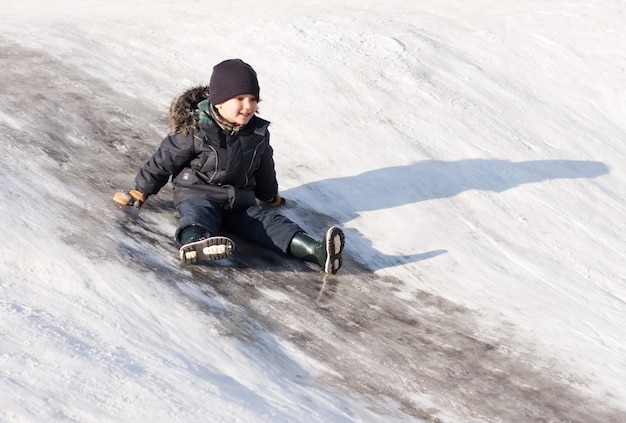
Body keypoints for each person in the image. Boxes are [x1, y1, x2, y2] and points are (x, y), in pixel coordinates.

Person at [114, 59, 345, 274]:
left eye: (253, 99)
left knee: (271, 224)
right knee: (198, 215)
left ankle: (317, 251)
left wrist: (269, 195)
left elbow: (264, 167)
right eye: (240, 99)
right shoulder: (197, 129)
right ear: (220, 101)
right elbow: (164, 159)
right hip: (198, 193)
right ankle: (195, 242)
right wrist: (141, 190)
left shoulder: (257, 133)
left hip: (239, 201)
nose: (248, 106)